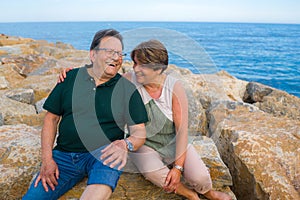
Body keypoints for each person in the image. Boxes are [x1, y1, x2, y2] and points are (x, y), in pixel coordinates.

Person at [59, 40, 232, 200]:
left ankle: (208, 193)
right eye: (135, 63)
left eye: (142, 66)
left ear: (158, 69)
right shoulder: (129, 80)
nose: (135, 69)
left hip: (172, 141)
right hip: (143, 145)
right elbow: (101, 74)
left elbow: (181, 131)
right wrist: (74, 73)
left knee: (199, 177)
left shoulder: (174, 87)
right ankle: (191, 195)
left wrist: (178, 168)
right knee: (152, 172)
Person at [23, 29, 148, 200]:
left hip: (105, 154)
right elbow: (51, 119)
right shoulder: (70, 78)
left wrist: (125, 145)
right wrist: (47, 159)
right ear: (93, 55)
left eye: (120, 53)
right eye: (110, 51)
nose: (117, 57)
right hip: (64, 156)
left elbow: (140, 133)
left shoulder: (127, 89)